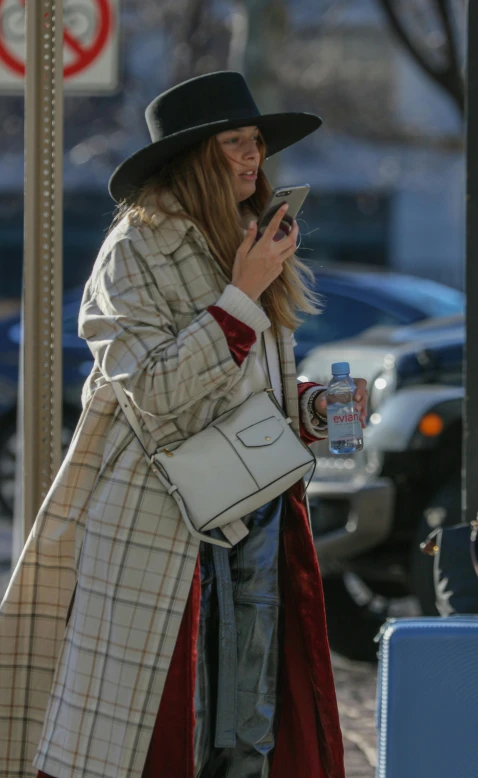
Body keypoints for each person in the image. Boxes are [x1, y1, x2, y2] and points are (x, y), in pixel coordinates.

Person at [0, 71, 368, 778]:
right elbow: (161, 396)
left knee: (250, 727)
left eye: (256, 141)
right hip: (162, 525)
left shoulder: (243, 238)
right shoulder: (133, 252)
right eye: (233, 142)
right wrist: (240, 296)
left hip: (255, 515)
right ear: (195, 156)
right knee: (164, 735)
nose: (251, 156)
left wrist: (311, 410)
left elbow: (238, 389)